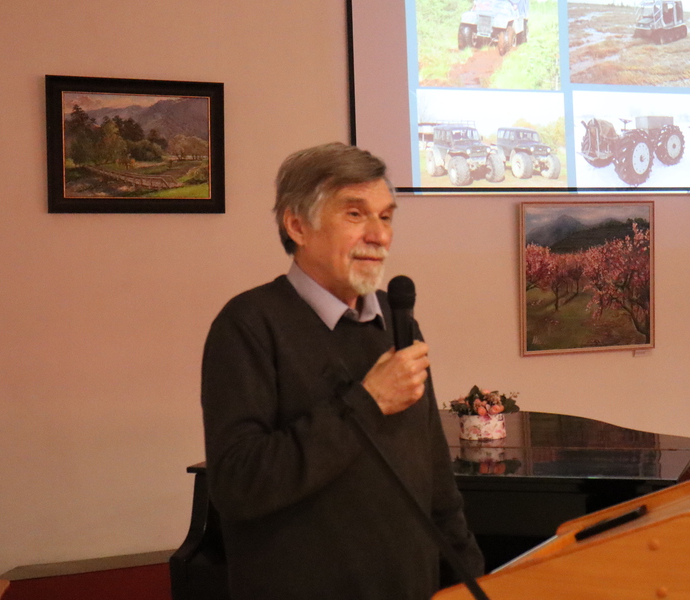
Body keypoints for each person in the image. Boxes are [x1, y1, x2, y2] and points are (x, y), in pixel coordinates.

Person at [200, 142, 484, 600]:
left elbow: (433, 475)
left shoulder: (397, 320)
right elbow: (238, 483)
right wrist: (368, 403)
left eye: (386, 216)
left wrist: (472, 578)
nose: (379, 236)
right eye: (355, 215)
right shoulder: (248, 325)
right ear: (298, 225)